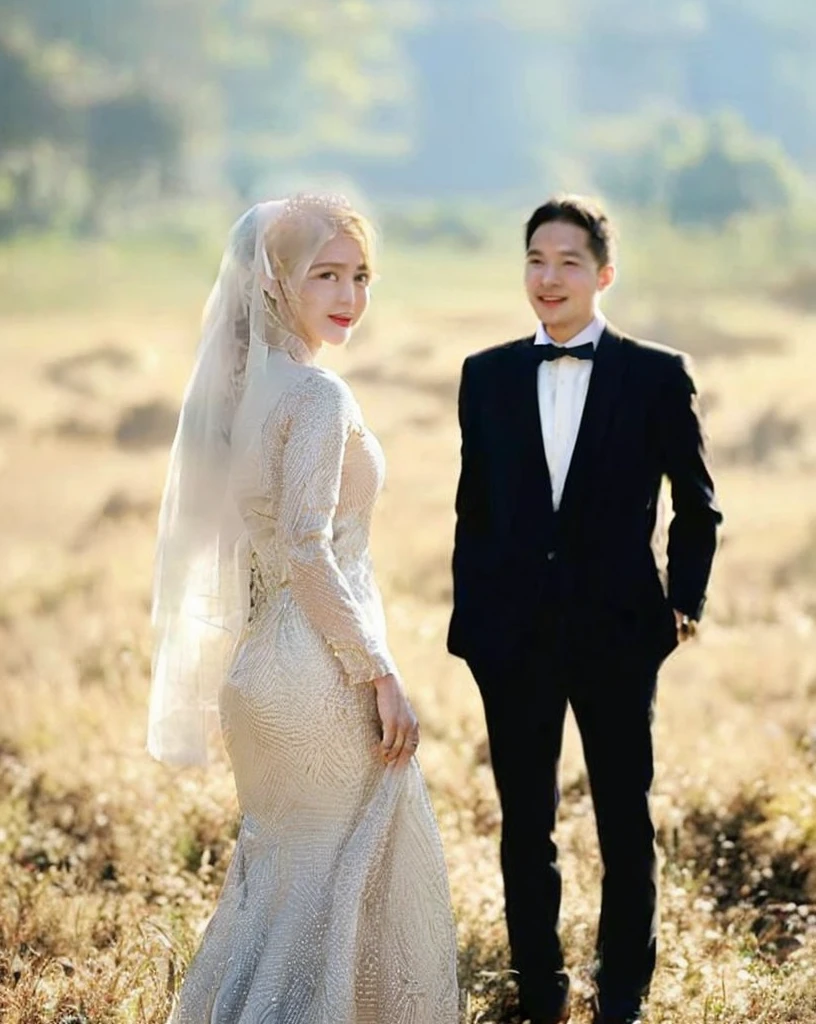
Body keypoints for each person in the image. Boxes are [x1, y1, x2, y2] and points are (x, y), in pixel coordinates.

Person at [148, 193, 459, 1024]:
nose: (349, 295)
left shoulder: (236, 395)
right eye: (325, 274)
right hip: (320, 675)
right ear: (273, 280)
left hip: (258, 674)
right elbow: (305, 547)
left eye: (360, 275)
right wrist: (380, 671)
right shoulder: (319, 398)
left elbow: (253, 550)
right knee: (334, 889)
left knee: (283, 889)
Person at [447, 195, 722, 1024]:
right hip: (513, 641)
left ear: (603, 274)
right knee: (525, 825)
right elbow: (475, 512)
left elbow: (697, 503)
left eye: (569, 261)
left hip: (619, 635)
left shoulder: (656, 373)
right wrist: (475, 629)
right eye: (535, 259)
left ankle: (623, 993)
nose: (549, 276)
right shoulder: (485, 375)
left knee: (623, 821)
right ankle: (539, 987)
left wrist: (682, 606)